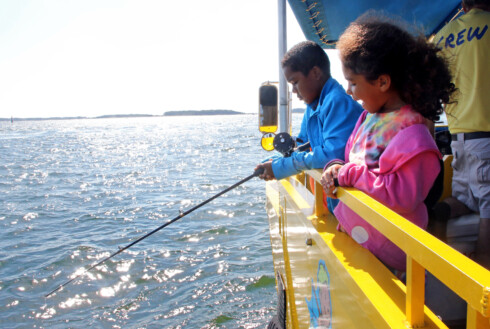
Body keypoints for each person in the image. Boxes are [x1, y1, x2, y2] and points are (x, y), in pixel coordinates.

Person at [320, 13, 455, 272]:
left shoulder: (415, 135)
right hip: (361, 243)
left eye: (353, 82)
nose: (349, 90)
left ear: (382, 82)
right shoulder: (367, 118)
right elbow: (352, 160)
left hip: (391, 256)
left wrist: (350, 175)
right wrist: (337, 168)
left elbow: (402, 197)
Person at [255, 41, 363, 213]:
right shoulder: (312, 105)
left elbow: (332, 154)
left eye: (295, 82)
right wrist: (275, 163)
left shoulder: (337, 101)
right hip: (334, 205)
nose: (294, 91)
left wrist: (281, 168)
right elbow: (302, 145)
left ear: (315, 73)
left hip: (351, 207)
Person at [432, 0, 490, 269]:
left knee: (462, 201)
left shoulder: (442, 37)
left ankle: (436, 255)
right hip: (486, 138)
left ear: (464, 4)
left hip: (459, 140)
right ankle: (482, 277)